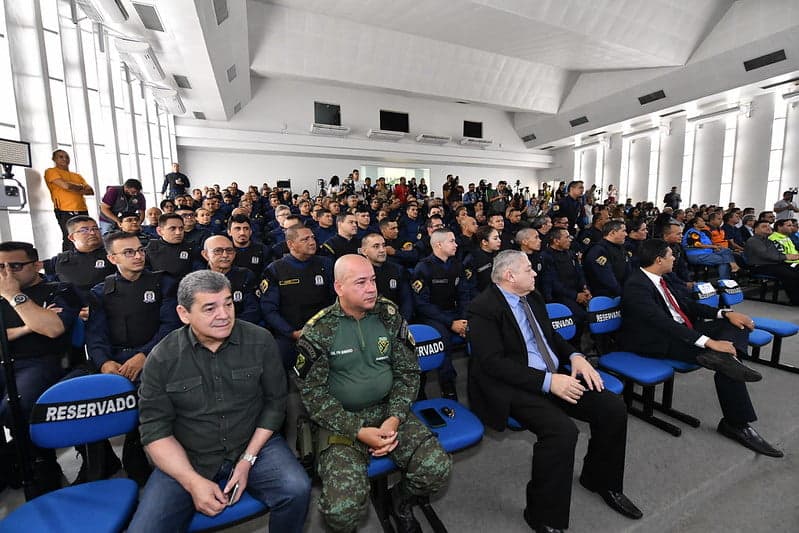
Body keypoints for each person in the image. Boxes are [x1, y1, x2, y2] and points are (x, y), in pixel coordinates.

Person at [467, 250, 641, 531]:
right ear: (510, 276)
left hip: (554, 373)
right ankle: (542, 516)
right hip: (515, 385)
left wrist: (575, 357)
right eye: (528, 269)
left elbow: (551, 337)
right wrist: (549, 382)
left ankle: (600, 480)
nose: (535, 273)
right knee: (561, 432)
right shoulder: (482, 308)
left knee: (612, 408)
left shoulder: (532, 297)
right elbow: (492, 364)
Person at [128, 271, 310, 532]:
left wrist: (247, 459)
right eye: (210, 308)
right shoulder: (162, 358)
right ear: (183, 313)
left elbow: (274, 404)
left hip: (252, 443)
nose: (224, 315)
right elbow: (155, 431)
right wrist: (192, 481)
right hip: (190, 456)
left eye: (228, 303)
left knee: (297, 489)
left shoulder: (260, 341)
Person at [295, 255, 451, 533]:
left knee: (436, 470)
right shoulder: (318, 330)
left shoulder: (388, 315)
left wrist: (394, 418)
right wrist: (358, 430)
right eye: (361, 282)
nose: (371, 288)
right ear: (339, 287)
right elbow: (313, 396)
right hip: (342, 420)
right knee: (342, 511)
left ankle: (399, 502)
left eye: (373, 280)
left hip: (388, 410)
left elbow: (408, 372)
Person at [620, 239, 783, 457]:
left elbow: (688, 305)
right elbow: (662, 323)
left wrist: (725, 312)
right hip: (658, 340)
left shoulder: (662, 278)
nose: (674, 258)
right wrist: (709, 342)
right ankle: (736, 423)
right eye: (670, 255)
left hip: (683, 330)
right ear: (659, 260)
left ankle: (728, 359)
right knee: (723, 359)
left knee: (736, 324)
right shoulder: (636, 285)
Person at [86, 232, 182, 485]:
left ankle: (136, 459)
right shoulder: (100, 292)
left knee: (146, 397)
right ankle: (97, 465)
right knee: (83, 399)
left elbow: (169, 326)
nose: (139, 256)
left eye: (140, 250)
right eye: (129, 252)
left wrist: (144, 356)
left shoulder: (164, 283)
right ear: (112, 258)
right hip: (115, 358)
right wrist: (104, 363)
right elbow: (95, 335)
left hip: (156, 354)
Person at [0, 241, 81, 494]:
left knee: (15, 407)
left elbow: (52, 328)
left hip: (44, 360)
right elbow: (39, 324)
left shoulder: (60, 289)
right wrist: (28, 326)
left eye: (15, 266)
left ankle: (41, 463)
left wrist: (15, 296)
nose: (7, 274)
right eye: (1, 267)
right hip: (5, 360)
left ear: (36, 265)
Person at [260, 226, 335, 369]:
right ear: (290, 244)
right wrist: (292, 333)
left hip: (324, 330)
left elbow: (335, 300)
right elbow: (269, 310)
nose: (312, 242)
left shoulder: (326, 264)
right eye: (305, 239)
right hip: (290, 334)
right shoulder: (275, 270)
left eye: (313, 237)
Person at [411, 229, 472, 400]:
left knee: (480, 328)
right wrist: (451, 322)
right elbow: (422, 304)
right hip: (433, 315)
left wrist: (463, 318)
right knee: (442, 336)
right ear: (438, 244)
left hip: (455, 313)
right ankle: (447, 383)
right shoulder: (423, 267)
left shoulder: (457, 265)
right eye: (451, 241)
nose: (456, 244)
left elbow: (464, 294)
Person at [202, 235, 261, 324]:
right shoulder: (198, 280)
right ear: (206, 254)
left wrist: (230, 325)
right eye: (218, 251)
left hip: (241, 327)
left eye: (229, 250)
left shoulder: (246, 275)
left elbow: (253, 309)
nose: (225, 255)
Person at [44, 150, 94, 251]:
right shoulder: (51, 171)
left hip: (82, 209)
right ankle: (67, 262)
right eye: (61, 157)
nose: (65, 159)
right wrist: (80, 187)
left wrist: (73, 187)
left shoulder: (77, 176)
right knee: (70, 238)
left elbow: (90, 191)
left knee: (86, 235)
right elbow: (65, 186)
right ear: (54, 159)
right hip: (65, 210)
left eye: (67, 157)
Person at [359, 233, 413, 321]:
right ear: (364, 251)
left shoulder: (398, 270)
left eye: (383, 246)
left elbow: (406, 301)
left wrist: (402, 322)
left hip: (395, 320)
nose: (382, 250)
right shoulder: (358, 272)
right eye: (376, 246)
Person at [743, 220, 799, 305]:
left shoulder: (768, 240)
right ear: (755, 229)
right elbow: (766, 255)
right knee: (789, 274)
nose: (768, 228)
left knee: (795, 270)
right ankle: (795, 300)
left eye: (769, 226)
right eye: (764, 226)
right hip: (759, 266)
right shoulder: (753, 240)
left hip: (773, 264)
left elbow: (776, 253)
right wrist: (786, 257)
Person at [584, 220, 632, 298]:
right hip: (606, 296)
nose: (626, 234)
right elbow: (607, 279)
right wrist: (624, 293)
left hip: (623, 291)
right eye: (623, 231)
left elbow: (628, 271)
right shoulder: (598, 251)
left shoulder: (620, 248)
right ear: (612, 233)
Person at [144, 214, 197, 281]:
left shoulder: (192, 248)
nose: (178, 232)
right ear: (160, 231)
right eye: (172, 228)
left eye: (181, 228)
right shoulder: (150, 249)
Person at [464, 225, 502, 293]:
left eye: (499, 237)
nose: (499, 241)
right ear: (484, 242)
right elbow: (469, 286)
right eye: (495, 238)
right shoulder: (472, 259)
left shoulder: (499, 255)